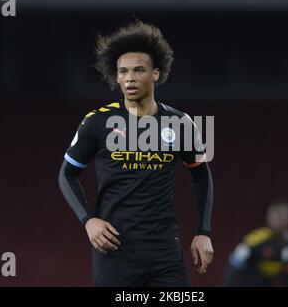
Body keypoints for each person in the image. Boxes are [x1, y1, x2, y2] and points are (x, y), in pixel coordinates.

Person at [58, 20, 214, 286]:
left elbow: (201, 176)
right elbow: (66, 174)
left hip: (165, 252)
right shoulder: (97, 121)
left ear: (155, 73)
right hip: (115, 251)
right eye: (123, 71)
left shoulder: (181, 123)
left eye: (138, 70)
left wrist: (203, 232)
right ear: (116, 76)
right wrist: (88, 220)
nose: (129, 77)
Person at [222, 201, 288, 287]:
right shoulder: (255, 239)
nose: (279, 221)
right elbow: (234, 268)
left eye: (283, 217)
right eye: (276, 217)